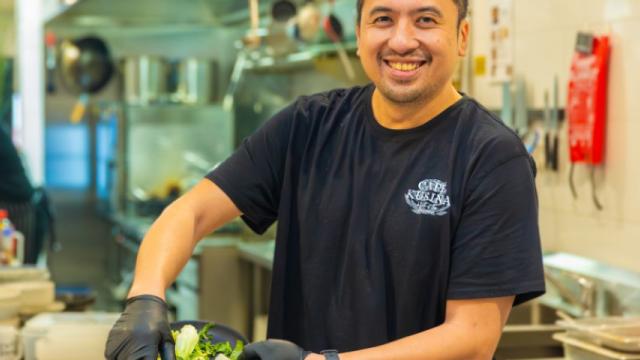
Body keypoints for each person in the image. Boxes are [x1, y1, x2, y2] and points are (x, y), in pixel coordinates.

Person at [105, 0, 545, 359]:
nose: (402, 40)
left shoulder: (491, 157)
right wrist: (145, 298)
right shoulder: (307, 125)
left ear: (462, 36)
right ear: (359, 35)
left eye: (426, 20)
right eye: (383, 19)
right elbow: (192, 211)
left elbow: (471, 339)